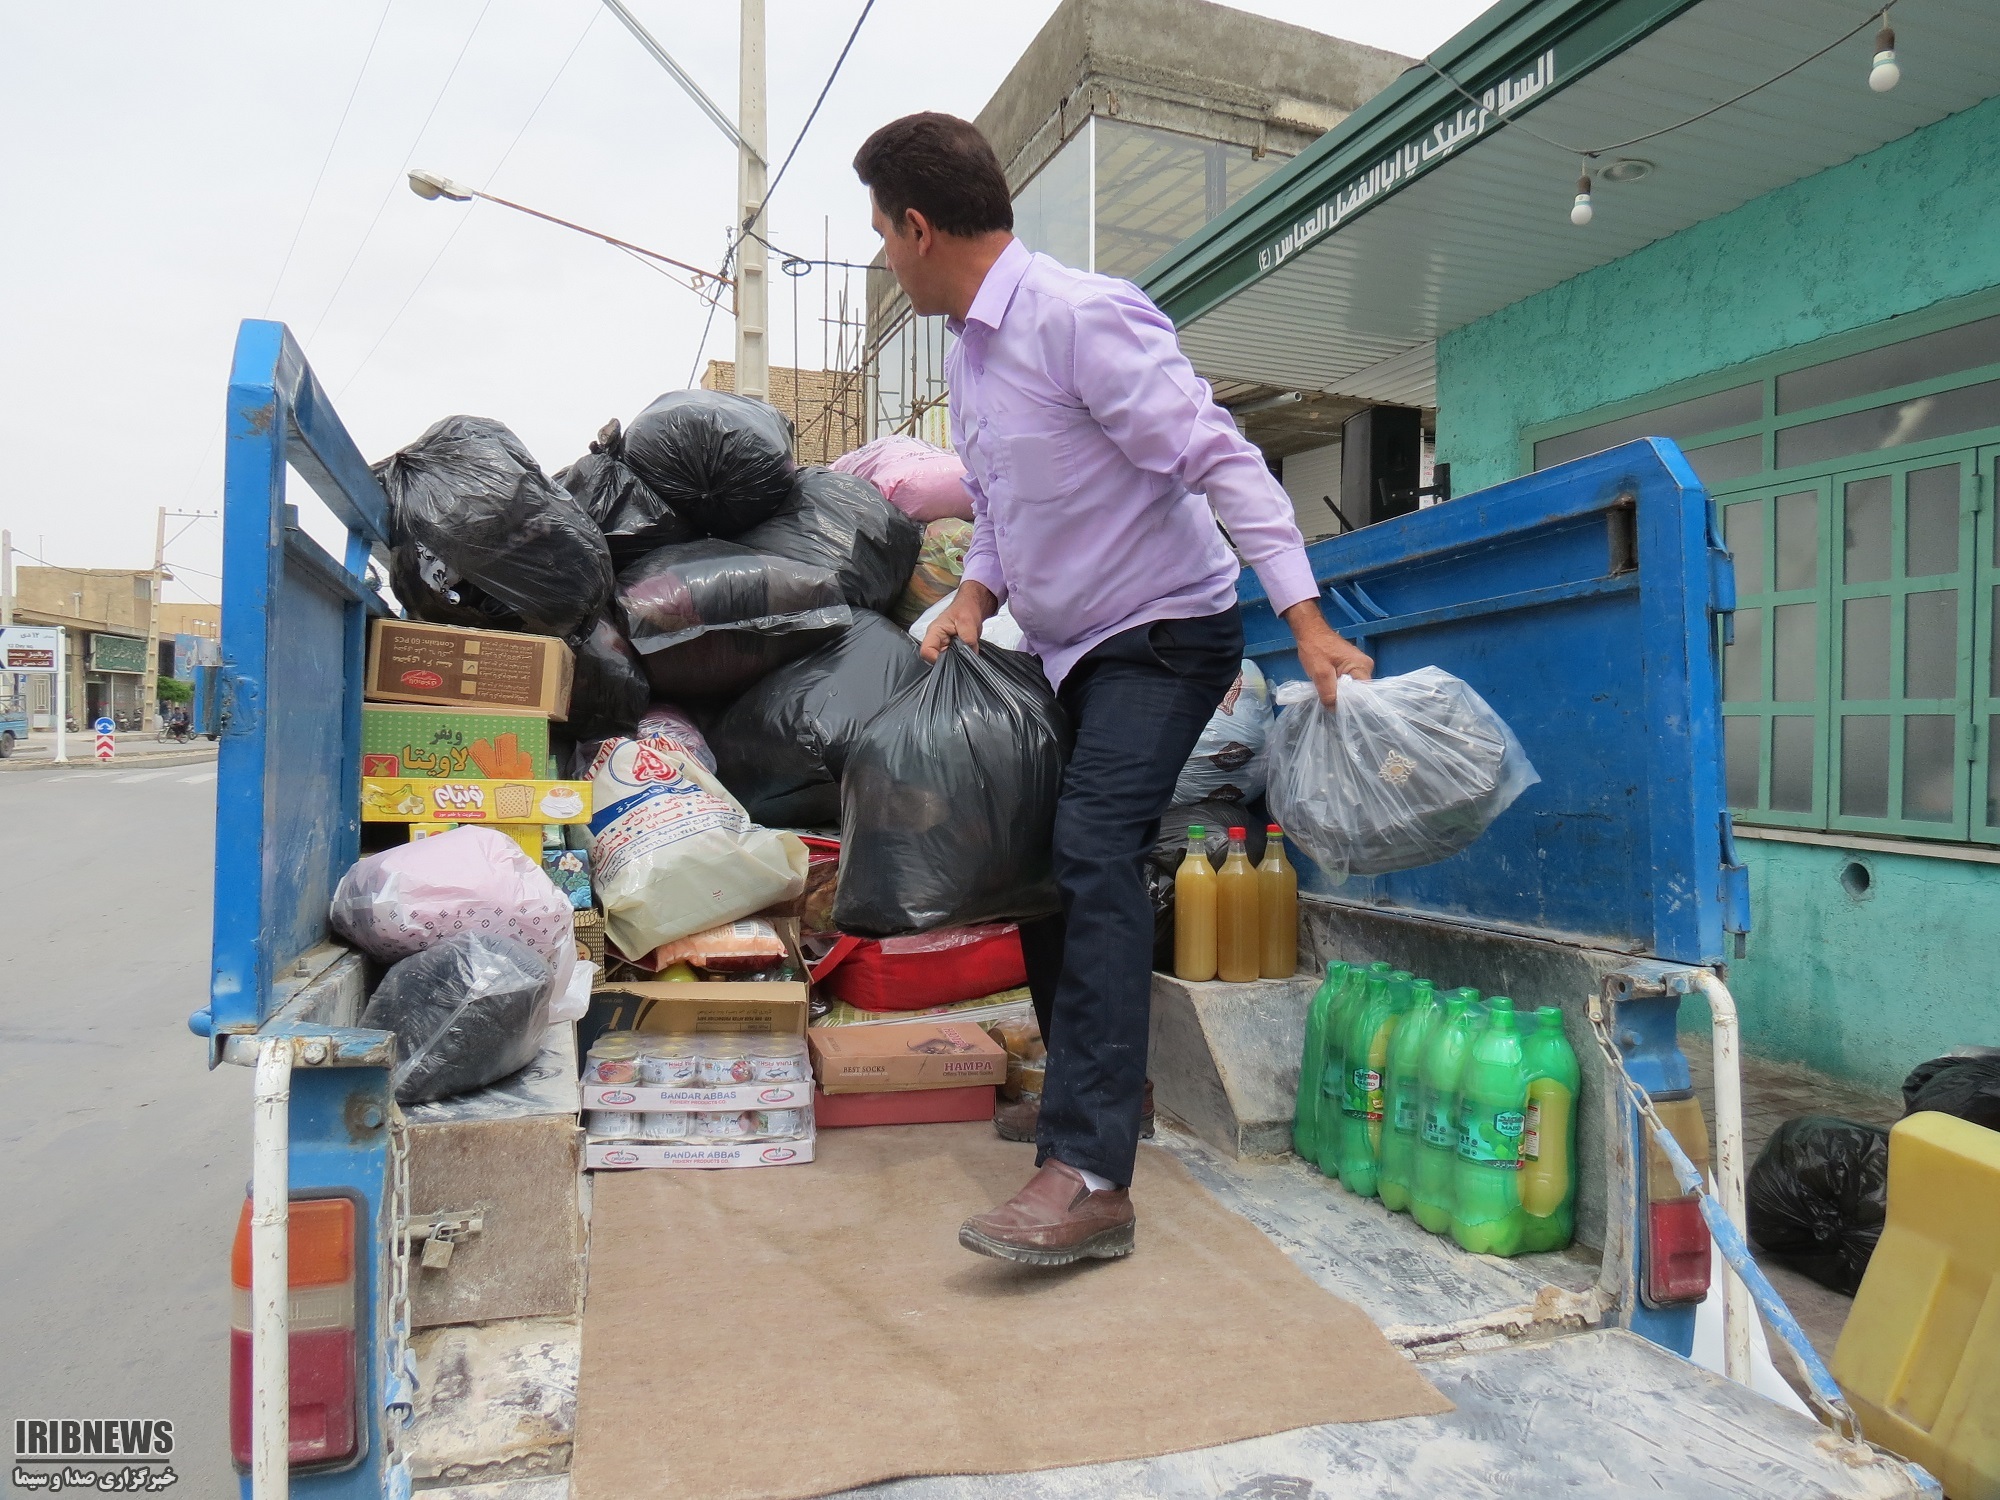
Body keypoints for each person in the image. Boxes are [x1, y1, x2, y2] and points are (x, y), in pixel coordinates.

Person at [854, 113, 1374, 1268]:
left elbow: (1219, 457)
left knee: (1094, 844)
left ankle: (1088, 1175)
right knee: (1050, 857)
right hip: (1065, 642)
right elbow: (1001, 503)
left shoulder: (1081, 319)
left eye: (883, 235)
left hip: (1166, 629)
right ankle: (1103, 1100)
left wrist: (1302, 618)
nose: (886, 258)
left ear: (920, 227)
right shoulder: (968, 353)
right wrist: (974, 599)